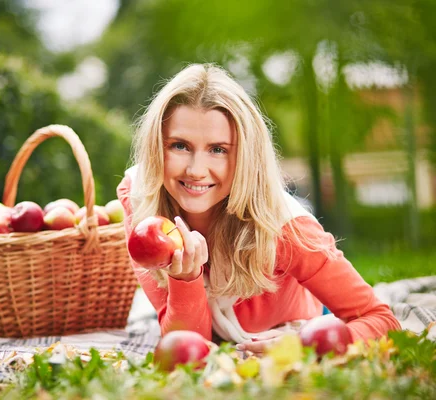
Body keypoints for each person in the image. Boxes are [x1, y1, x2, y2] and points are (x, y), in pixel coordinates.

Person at [116, 63, 400, 356]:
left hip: (299, 315)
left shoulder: (287, 229)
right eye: (179, 146)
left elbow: (383, 321)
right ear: (156, 147)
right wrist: (185, 279)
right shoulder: (140, 201)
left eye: (218, 149)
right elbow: (187, 349)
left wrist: (305, 347)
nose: (196, 170)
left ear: (245, 156)